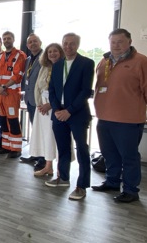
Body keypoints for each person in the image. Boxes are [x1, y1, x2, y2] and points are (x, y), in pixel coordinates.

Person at [92, 28, 147, 203]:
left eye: (120, 42)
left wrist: (134, 103)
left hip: (128, 120)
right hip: (104, 117)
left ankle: (131, 190)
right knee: (109, 154)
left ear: (129, 42)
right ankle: (112, 181)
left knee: (129, 157)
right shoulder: (104, 61)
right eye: (113, 42)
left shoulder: (142, 62)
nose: (116, 45)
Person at [45, 33, 94, 201]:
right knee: (63, 148)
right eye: (65, 43)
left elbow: (86, 91)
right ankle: (63, 177)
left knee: (81, 149)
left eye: (72, 44)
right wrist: (57, 109)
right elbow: (52, 90)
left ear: (78, 45)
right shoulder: (57, 65)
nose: (68, 46)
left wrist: (69, 111)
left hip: (77, 114)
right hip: (58, 113)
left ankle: (81, 185)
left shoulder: (87, 63)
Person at [29, 43, 65, 176]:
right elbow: (37, 86)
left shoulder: (64, 67)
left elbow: (63, 89)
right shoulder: (44, 67)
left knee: (56, 136)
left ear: (60, 52)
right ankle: (48, 166)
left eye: (55, 51)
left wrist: (50, 105)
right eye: (50, 52)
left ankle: (61, 169)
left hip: (56, 107)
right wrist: (39, 103)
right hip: (42, 106)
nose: (52, 54)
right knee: (45, 135)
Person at [0, 31, 26, 158]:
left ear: (13, 39)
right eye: (4, 38)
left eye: (8, 38)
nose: (6, 40)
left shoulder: (20, 55)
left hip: (11, 93)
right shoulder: (0, 56)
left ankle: (16, 148)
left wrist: (4, 87)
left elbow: (18, 75)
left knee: (12, 120)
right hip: (0, 94)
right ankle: (6, 145)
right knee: (3, 120)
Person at [20, 34, 46, 170]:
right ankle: (35, 154)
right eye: (30, 42)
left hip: (40, 100)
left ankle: (42, 159)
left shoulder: (45, 58)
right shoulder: (28, 59)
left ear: (40, 42)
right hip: (30, 99)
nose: (32, 44)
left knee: (41, 130)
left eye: (35, 41)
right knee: (34, 128)